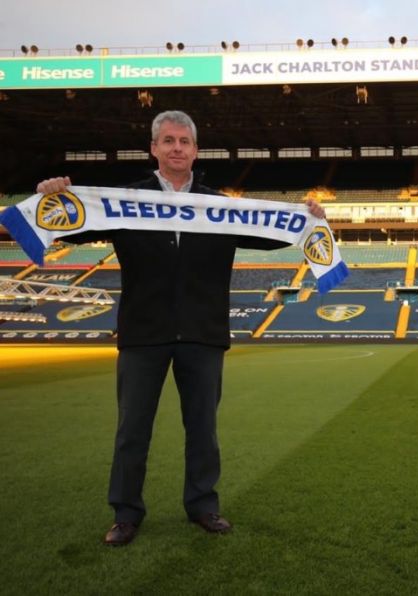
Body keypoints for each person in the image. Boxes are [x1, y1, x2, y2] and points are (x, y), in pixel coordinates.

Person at [36, 110, 326, 546]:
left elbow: (271, 232)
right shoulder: (123, 201)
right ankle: (126, 513)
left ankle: (203, 506)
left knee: (203, 430)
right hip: (142, 332)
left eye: (184, 142)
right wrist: (52, 196)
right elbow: (73, 228)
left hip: (202, 333)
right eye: (168, 140)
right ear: (153, 148)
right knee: (132, 430)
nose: (176, 148)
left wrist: (307, 217)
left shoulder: (220, 206)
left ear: (195, 150)